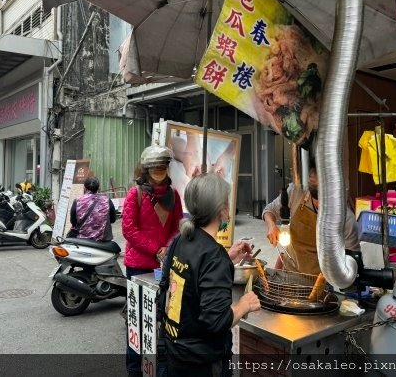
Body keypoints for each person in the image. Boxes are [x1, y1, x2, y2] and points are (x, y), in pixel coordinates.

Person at [160, 173, 261, 377]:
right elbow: (216, 322)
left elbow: (166, 287)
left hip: (174, 351)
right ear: (222, 210)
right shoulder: (213, 257)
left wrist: (227, 256)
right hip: (201, 363)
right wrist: (244, 304)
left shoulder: (182, 239)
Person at [122, 145, 183, 377]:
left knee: (162, 319)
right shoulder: (134, 194)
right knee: (138, 320)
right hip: (138, 266)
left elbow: (178, 225)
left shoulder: (174, 195)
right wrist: (156, 249)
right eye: (155, 166)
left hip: (163, 267)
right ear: (146, 169)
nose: (159, 170)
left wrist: (167, 247)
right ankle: (134, 369)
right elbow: (129, 230)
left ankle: (158, 367)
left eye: (163, 166)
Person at [264, 165, 360, 275]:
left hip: (322, 280)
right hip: (291, 271)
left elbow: (351, 260)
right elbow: (269, 210)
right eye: (317, 202)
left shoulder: (346, 219)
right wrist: (272, 226)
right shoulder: (296, 193)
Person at [68, 176, 115, 242]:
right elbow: (113, 219)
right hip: (103, 241)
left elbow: (73, 222)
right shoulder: (107, 200)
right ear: (98, 188)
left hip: (82, 240)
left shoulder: (77, 201)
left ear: (85, 187)